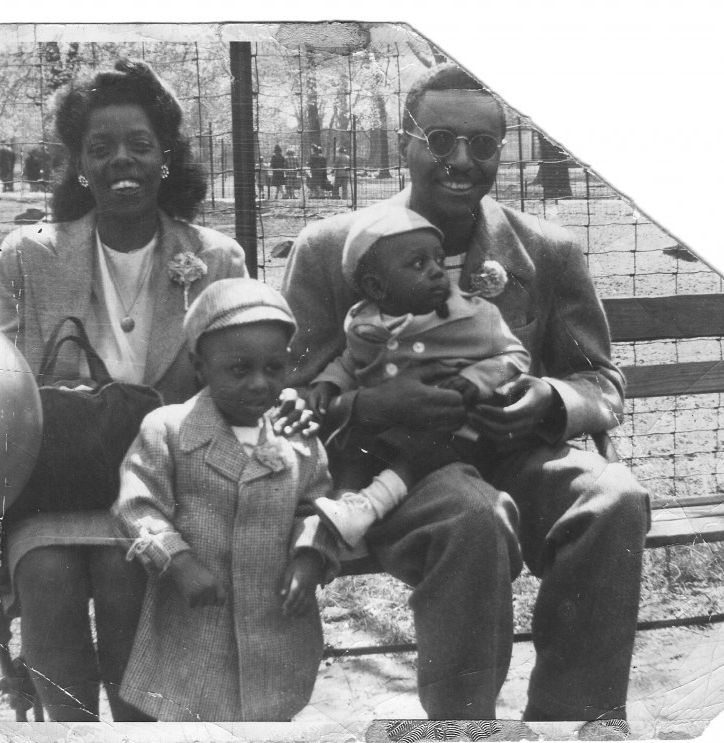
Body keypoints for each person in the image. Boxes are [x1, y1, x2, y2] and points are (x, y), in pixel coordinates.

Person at [281, 63, 650, 722]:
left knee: (614, 496)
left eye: (482, 146)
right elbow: (292, 393)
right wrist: (379, 406)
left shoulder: (544, 250)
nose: (461, 160)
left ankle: (576, 720)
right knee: (472, 516)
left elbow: (601, 379)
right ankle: (464, 727)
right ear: (405, 142)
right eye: (441, 139)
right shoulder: (331, 248)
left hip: (519, 454)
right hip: (396, 469)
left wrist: (551, 401)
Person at [0, 58, 248, 721]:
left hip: (166, 486)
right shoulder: (27, 258)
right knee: (45, 577)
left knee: (125, 573)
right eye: (99, 148)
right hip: (60, 480)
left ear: (167, 157)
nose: (120, 160)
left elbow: (237, 391)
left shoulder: (215, 259)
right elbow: (7, 393)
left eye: (139, 144)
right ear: (77, 163)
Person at [114, 279, 340, 721]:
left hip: (273, 614)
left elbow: (315, 505)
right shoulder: (169, 430)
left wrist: (310, 556)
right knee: (191, 713)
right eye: (239, 370)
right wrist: (176, 560)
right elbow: (137, 505)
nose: (260, 384)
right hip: (195, 615)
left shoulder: (297, 438)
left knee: (268, 710)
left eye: (274, 369)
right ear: (201, 368)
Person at [305, 205, 530, 549]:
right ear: (376, 288)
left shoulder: (473, 316)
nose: (438, 272)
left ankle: (368, 507)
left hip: (453, 429)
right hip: (385, 427)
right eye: (418, 264)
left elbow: (515, 355)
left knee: (421, 449)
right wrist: (329, 381)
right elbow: (351, 360)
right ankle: (340, 513)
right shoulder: (365, 324)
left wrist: (475, 378)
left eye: (439, 261)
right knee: (352, 444)